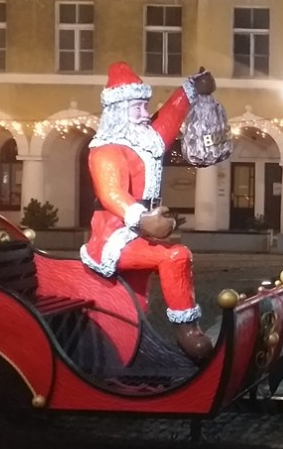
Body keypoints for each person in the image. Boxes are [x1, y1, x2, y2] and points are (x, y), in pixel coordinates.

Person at [80, 62, 215, 361]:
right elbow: (111, 193)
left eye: (145, 106)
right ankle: (188, 330)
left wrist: (190, 89)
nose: (145, 113)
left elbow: (169, 119)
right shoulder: (106, 150)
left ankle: (130, 344)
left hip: (140, 234)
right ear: (118, 110)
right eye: (137, 107)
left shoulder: (145, 141)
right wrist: (142, 218)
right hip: (114, 237)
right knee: (175, 256)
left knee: (138, 299)